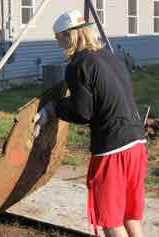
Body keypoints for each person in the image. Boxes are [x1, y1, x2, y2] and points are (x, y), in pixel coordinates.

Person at [34, 11, 148, 237]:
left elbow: (83, 111)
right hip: (137, 143)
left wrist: (52, 109)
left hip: (113, 150)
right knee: (129, 216)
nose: (58, 44)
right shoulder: (111, 57)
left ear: (69, 36)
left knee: (111, 221)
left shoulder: (79, 65)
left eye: (58, 38)